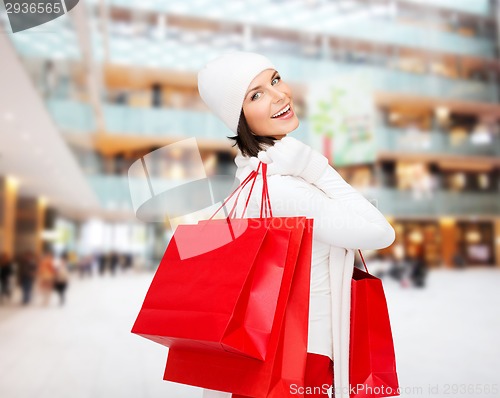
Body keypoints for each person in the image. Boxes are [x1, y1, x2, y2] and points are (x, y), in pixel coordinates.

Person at [197, 52, 395, 398]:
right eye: (255, 94)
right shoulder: (284, 188)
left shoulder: (249, 181)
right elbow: (381, 232)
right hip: (302, 354)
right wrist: (316, 168)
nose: (278, 95)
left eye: (275, 79)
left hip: (265, 353)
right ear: (238, 118)